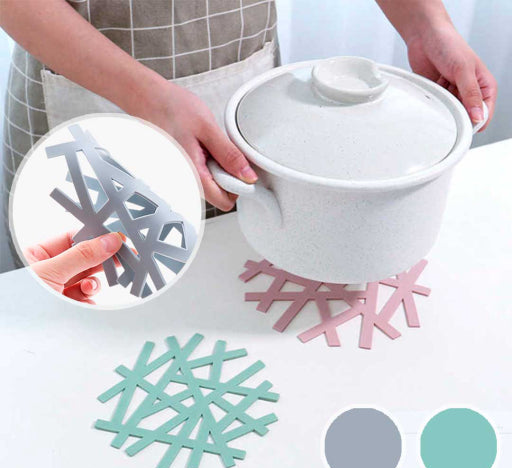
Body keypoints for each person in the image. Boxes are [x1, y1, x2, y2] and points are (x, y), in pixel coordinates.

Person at [0, 0, 498, 281]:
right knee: (88, 304)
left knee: (232, 295)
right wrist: (145, 96)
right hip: (87, 94)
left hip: (248, 90)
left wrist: (427, 25)